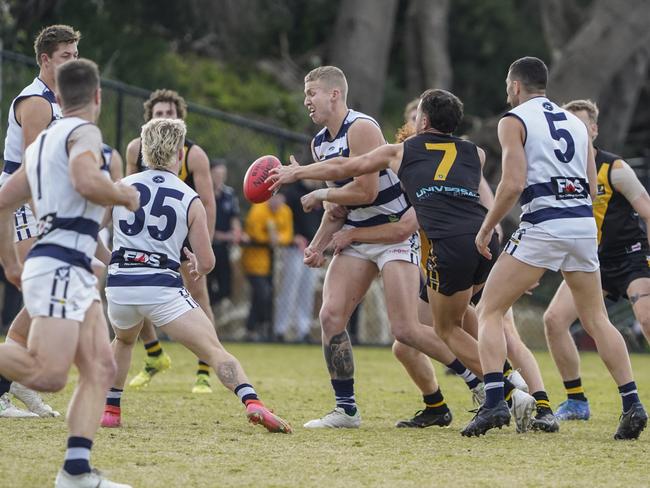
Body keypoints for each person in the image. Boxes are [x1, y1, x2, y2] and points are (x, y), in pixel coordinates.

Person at [272, 70, 537, 431]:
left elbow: (362, 187)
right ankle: (348, 409)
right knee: (332, 317)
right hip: (387, 234)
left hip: (396, 234)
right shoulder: (321, 142)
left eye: (311, 93)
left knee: (414, 330)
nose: (306, 100)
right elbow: (340, 208)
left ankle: (498, 387)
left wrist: (306, 179)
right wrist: (318, 244)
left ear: (335, 94)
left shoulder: (365, 130)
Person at [463, 56, 646, 439]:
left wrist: (487, 227)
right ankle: (632, 404)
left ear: (515, 86)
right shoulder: (577, 124)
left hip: (544, 223)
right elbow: (589, 182)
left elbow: (512, 184)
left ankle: (495, 402)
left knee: (489, 310)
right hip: (581, 225)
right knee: (597, 319)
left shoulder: (513, 121)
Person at [100, 117, 291, 435]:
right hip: (161, 286)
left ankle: (110, 410)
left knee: (122, 340)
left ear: (145, 151)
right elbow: (207, 260)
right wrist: (197, 265)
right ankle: (253, 402)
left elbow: (90, 232)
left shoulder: (120, 188)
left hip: (120, 286)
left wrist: (113, 261)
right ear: (179, 155)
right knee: (214, 350)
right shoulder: (190, 198)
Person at [0, 58, 139, 487]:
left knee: (99, 365)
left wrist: (11, 262)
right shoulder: (86, 132)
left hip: (69, 264)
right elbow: (85, 179)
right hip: (61, 260)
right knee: (49, 374)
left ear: (58, 98)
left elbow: (4, 199)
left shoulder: (40, 144)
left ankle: (76, 472)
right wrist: (123, 195)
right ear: (98, 97)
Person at [544, 99, 650, 421]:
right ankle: (576, 401)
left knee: (646, 319)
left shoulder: (614, 168)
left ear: (594, 129)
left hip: (631, 257)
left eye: (581, 125)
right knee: (553, 321)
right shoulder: (557, 171)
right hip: (591, 263)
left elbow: (646, 207)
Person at [0, 24, 81, 418]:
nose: (73, 63)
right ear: (45, 60)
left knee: (42, 293)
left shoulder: (59, 102)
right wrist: (44, 215)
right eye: (66, 56)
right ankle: (4, 386)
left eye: (76, 55)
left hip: (38, 204)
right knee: (35, 289)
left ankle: (16, 379)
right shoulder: (36, 102)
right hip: (20, 203)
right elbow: (31, 169)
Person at [125, 89, 216, 393]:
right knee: (134, 292)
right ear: (149, 118)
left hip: (185, 235)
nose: (165, 118)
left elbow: (208, 204)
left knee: (198, 295)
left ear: (181, 119)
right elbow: (126, 197)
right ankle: (154, 355)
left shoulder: (193, 154)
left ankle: (205, 367)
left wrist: (205, 246)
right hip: (148, 236)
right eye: (159, 113)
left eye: (170, 113)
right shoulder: (136, 148)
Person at [274, 180, 323, 342]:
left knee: (307, 290)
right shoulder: (292, 193)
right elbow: (285, 219)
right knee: (289, 287)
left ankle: (304, 329)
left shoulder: (321, 194)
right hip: (294, 249)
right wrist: (294, 236)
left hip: (313, 248)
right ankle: (281, 329)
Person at [241, 193, 293, 340]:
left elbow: (288, 234)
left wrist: (277, 238)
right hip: (254, 262)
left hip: (272, 264)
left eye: (279, 197)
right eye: (274, 197)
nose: (276, 201)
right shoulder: (258, 210)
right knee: (263, 293)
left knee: (264, 295)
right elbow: (255, 233)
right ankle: (258, 326)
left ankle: (254, 329)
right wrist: (271, 238)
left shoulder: (285, 211)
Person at [208, 160, 242, 307]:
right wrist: (221, 235)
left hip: (224, 248)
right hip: (207, 245)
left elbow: (235, 217)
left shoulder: (229, 194)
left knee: (225, 286)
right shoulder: (203, 194)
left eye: (223, 174)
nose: (220, 177)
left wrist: (237, 233)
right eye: (216, 174)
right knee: (207, 285)